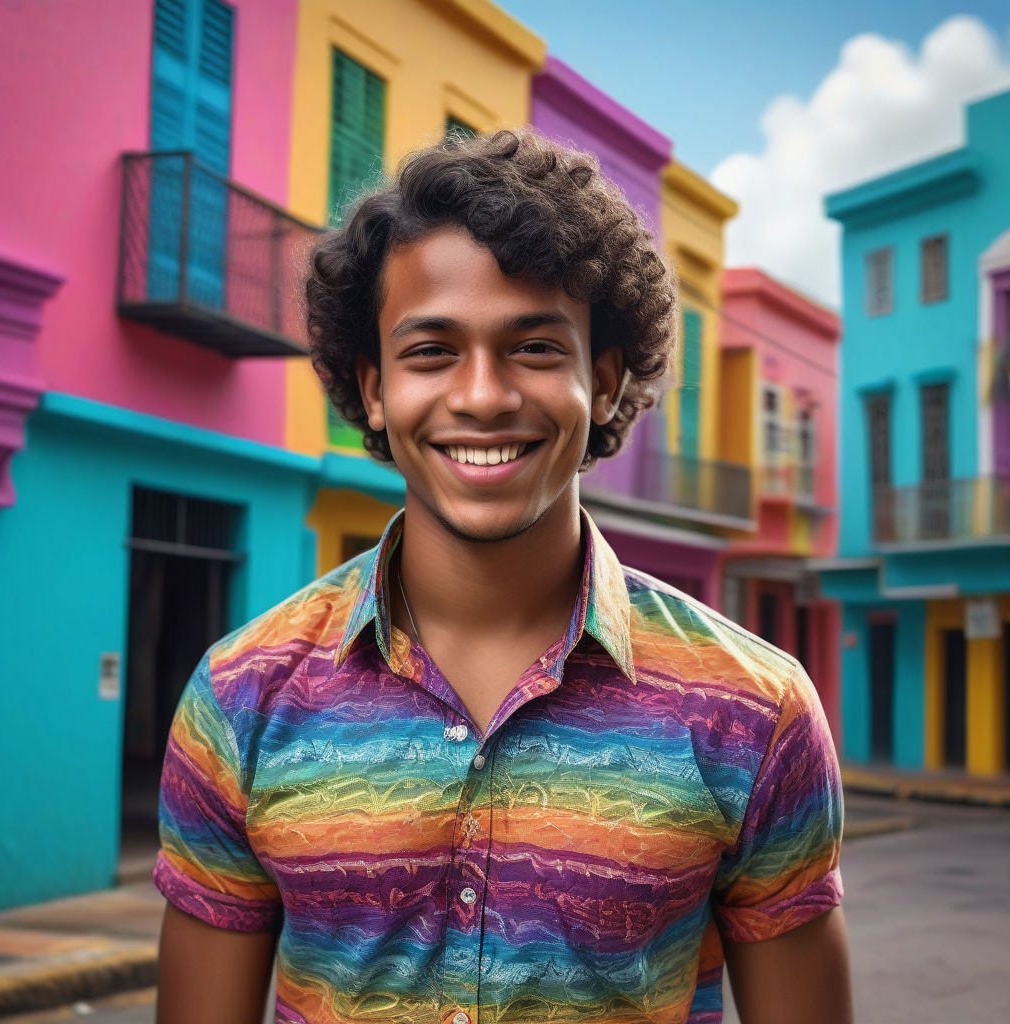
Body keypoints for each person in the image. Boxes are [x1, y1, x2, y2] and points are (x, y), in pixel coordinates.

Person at [154, 128, 852, 1024]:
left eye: (532, 348)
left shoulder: (754, 713)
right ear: (373, 388)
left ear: (602, 382)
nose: (483, 394)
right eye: (431, 351)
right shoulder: (241, 699)